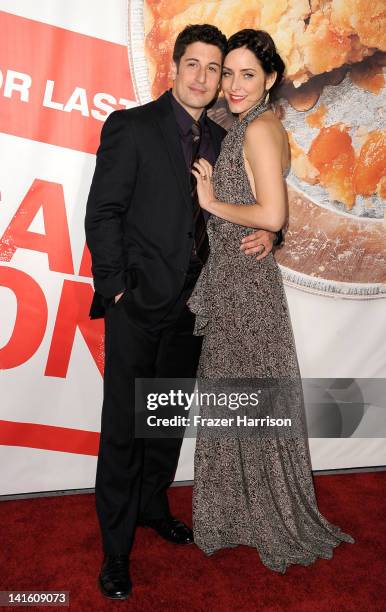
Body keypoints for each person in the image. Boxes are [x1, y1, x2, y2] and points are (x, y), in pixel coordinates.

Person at [85, 24, 280, 599]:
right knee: (124, 429)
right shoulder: (132, 126)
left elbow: (245, 207)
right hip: (138, 304)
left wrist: (272, 235)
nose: (203, 77)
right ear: (174, 67)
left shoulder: (223, 137)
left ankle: (152, 507)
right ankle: (115, 552)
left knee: (166, 420)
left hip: (198, 308)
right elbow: (104, 215)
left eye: (214, 68)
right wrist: (118, 290)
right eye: (193, 64)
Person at [188, 29, 355, 573]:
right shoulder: (234, 122)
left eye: (247, 75)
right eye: (227, 73)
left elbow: (272, 215)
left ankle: (266, 514)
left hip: (246, 290)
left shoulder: (259, 128)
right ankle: (238, 511)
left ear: (271, 79)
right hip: (237, 277)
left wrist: (213, 201)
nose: (232, 86)